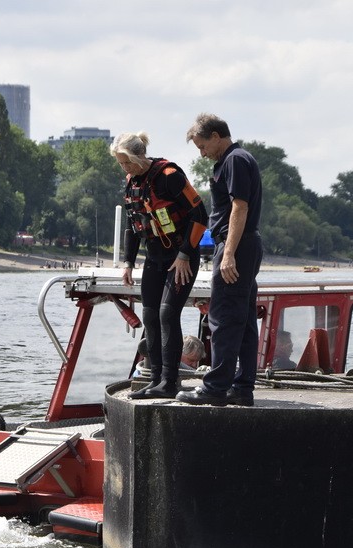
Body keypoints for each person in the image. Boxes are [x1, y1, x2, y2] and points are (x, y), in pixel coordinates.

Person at [111, 131, 208, 399]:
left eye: (127, 163)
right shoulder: (131, 182)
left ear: (140, 156)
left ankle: (170, 381)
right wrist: (128, 262)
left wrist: (185, 253)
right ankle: (155, 381)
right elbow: (133, 226)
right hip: (154, 257)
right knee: (150, 316)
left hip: (181, 258)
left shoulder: (169, 176)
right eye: (120, 164)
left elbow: (200, 215)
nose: (124, 168)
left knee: (167, 314)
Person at [176, 114, 263, 407]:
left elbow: (240, 206)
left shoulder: (234, 160)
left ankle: (215, 388)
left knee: (224, 317)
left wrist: (227, 254)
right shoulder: (237, 159)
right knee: (244, 320)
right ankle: (242, 387)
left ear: (216, 136)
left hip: (236, 246)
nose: (201, 153)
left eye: (202, 146)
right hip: (245, 245)